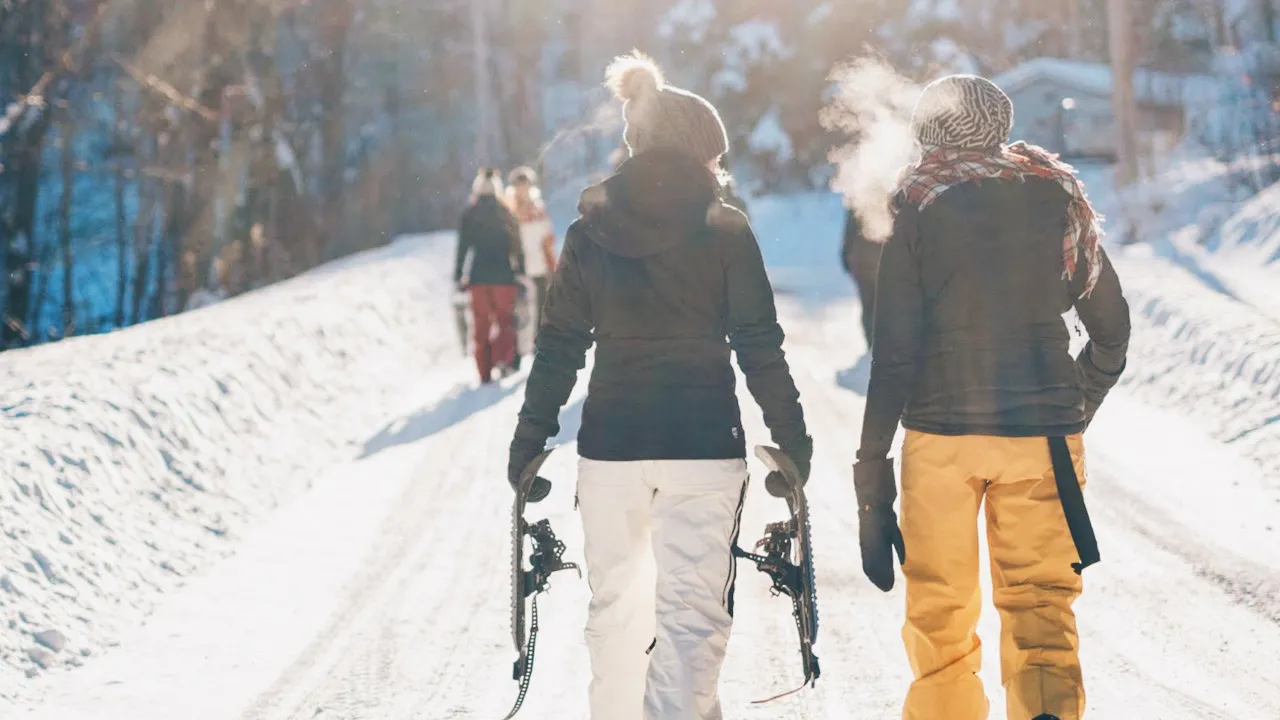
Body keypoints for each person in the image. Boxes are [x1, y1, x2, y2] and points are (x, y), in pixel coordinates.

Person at [507, 52, 811, 720]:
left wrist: (529, 439)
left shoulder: (591, 231)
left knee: (615, 607)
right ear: (703, 153)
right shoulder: (727, 230)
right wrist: (792, 440)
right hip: (703, 445)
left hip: (612, 446)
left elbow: (559, 344)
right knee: (692, 614)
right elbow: (759, 344)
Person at [853, 75, 1130, 720]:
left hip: (941, 442)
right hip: (1043, 441)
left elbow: (893, 354)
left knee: (942, 615)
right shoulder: (1058, 195)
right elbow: (1111, 331)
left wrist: (871, 472)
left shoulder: (916, 202)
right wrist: (1071, 407)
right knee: (1041, 609)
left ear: (930, 132)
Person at [455, 168, 523, 384]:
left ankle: (484, 372)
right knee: (505, 321)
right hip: (504, 277)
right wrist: (520, 270)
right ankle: (503, 359)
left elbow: (463, 248)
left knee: (481, 325)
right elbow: (517, 246)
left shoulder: (470, 214)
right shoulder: (506, 212)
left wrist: (459, 275)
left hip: (478, 278)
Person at [507, 166, 557, 366]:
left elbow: (548, 239)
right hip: (518, 269)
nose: (523, 190)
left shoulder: (539, 210)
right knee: (520, 313)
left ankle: (539, 347)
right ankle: (517, 353)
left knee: (541, 310)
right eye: (519, 186)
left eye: (526, 186)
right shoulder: (509, 212)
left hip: (540, 268)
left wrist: (552, 266)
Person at [840, 208, 882, 347]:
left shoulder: (858, 194)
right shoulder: (891, 194)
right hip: (881, 260)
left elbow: (850, 229)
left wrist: (846, 254)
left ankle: (872, 342)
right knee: (884, 304)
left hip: (861, 260)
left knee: (868, 305)